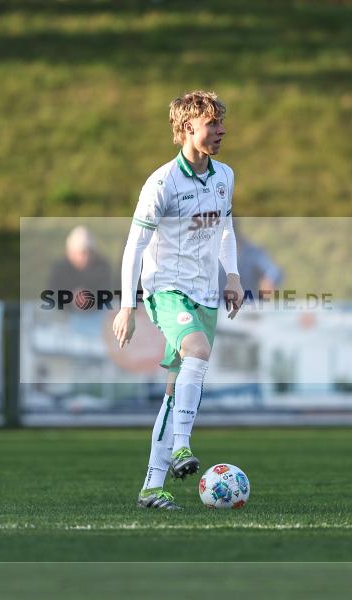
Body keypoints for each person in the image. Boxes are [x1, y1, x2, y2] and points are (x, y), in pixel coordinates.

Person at [113, 90, 243, 510]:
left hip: (205, 294)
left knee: (176, 392)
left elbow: (225, 230)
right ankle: (183, 448)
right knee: (197, 350)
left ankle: (152, 486)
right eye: (213, 124)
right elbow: (134, 246)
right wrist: (128, 306)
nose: (221, 131)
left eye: (221, 123)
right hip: (166, 290)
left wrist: (234, 275)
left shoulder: (224, 176)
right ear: (188, 128)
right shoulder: (162, 183)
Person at [46, 225, 114, 307]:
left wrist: (91, 299)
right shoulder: (60, 269)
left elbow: (108, 293)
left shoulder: (102, 267)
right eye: (82, 253)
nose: (86, 257)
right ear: (70, 253)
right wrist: (70, 299)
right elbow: (52, 295)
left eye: (89, 253)